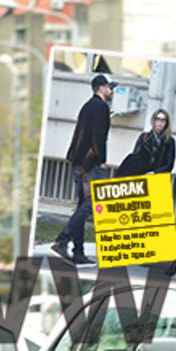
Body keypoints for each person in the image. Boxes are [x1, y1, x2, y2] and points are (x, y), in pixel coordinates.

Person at [51, 73, 116, 265]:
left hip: (79, 162)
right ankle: (62, 240)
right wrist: (102, 160)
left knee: (82, 206)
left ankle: (78, 251)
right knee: (90, 205)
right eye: (110, 87)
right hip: (91, 164)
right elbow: (99, 137)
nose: (112, 91)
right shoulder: (101, 107)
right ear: (102, 88)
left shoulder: (87, 106)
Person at [116, 109, 176, 177]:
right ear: (154, 121)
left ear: (166, 123)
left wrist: (154, 172)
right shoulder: (144, 137)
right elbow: (135, 158)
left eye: (163, 120)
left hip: (159, 177)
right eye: (158, 119)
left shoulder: (170, 141)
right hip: (142, 174)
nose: (160, 123)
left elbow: (169, 165)